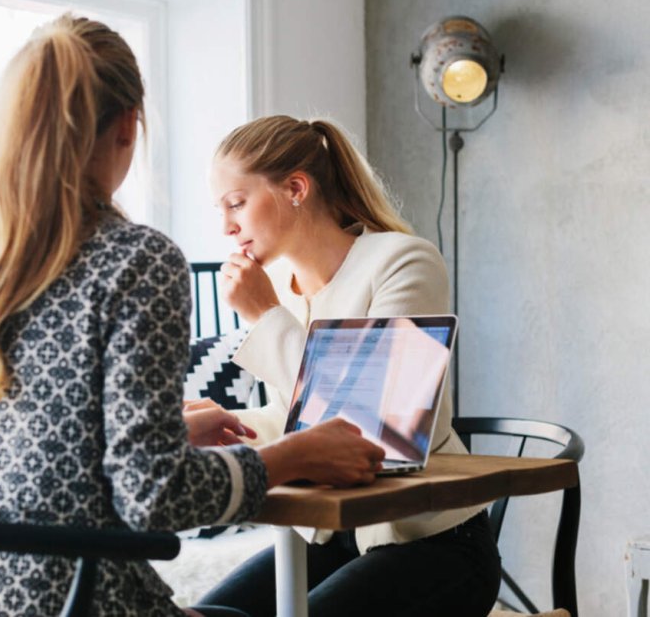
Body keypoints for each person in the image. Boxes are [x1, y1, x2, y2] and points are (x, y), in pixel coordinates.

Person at [0, 16, 384, 617]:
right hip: (67, 602)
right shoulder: (137, 261)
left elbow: (33, 456)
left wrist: (165, 432)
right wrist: (292, 456)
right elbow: (153, 497)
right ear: (128, 126)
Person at [197, 115, 502, 617]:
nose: (226, 227)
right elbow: (293, 424)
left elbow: (372, 423)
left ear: (296, 187)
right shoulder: (287, 295)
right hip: (327, 541)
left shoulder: (405, 263)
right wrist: (221, 425)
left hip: (433, 544)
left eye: (236, 204)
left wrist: (263, 315)